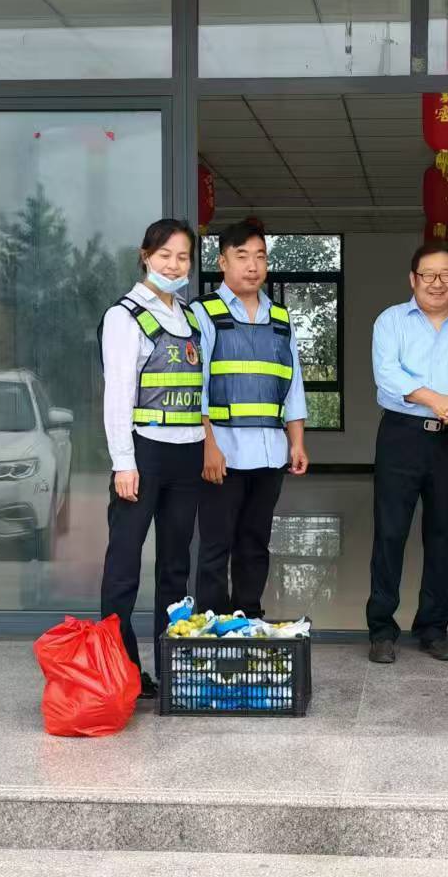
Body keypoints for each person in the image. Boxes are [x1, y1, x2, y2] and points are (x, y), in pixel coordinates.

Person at [365, 241, 448, 665]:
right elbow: (388, 375)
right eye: (428, 275)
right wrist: (438, 400)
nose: (437, 283)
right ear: (413, 279)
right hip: (400, 437)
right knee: (390, 533)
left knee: (441, 536)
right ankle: (381, 629)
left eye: (446, 275)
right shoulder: (391, 321)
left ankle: (433, 628)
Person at [98, 218, 205, 698]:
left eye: (183, 257)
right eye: (165, 255)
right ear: (145, 256)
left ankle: (171, 667)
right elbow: (117, 395)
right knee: (124, 564)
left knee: (175, 566)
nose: (174, 265)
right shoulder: (125, 316)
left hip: (187, 453)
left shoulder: (190, 317)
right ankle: (122, 671)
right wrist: (124, 461)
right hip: (144, 452)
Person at [193, 217, 310, 618]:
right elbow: (198, 386)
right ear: (222, 261)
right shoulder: (204, 313)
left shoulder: (280, 318)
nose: (252, 265)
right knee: (216, 545)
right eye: (242, 256)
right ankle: (212, 628)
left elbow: (292, 382)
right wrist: (208, 446)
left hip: (270, 453)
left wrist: (297, 441)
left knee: (255, 543)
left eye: (260, 256)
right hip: (223, 454)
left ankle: (248, 619)